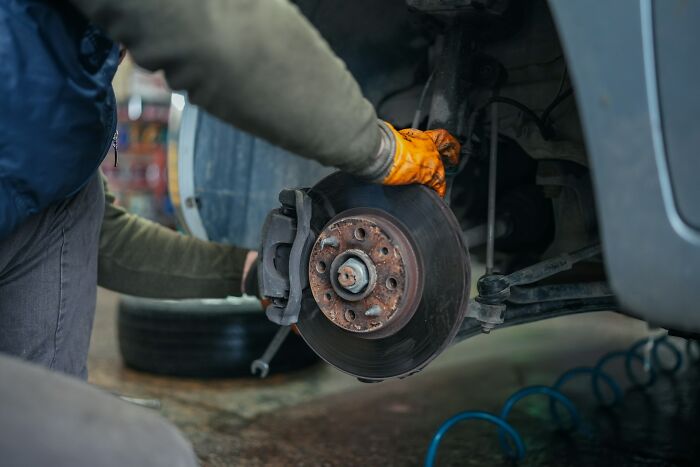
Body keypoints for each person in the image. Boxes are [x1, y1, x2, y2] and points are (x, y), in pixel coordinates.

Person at [0, 0, 460, 378]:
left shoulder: (46, 111)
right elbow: (217, 26)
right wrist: (380, 151)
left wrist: (253, 271)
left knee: (74, 201)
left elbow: (95, 240)